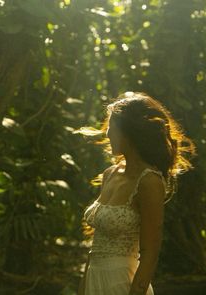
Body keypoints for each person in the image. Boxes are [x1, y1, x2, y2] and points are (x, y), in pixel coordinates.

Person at [78, 92, 196, 295]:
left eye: (111, 128)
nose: (106, 134)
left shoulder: (149, 182)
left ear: (129, 132)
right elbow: (96, 244)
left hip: (122, 284)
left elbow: (150, 252)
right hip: (94, 281)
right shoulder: (109, 174)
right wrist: (82, 287)